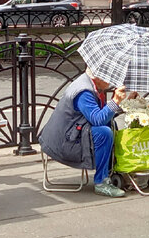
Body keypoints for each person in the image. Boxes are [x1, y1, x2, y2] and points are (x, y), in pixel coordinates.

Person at [39, 69, 131, 197]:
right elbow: (97, 119)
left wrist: (124, 104)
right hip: (63, 144)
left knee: (110, 125)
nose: (112, 82)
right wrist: (115, 101)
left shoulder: (92, 86)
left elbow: (102, 115)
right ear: (98, 77)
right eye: (109, 77)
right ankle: (101, 183)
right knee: (103, 132)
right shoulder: (84, 92)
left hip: (71, 134)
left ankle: (109, 172)